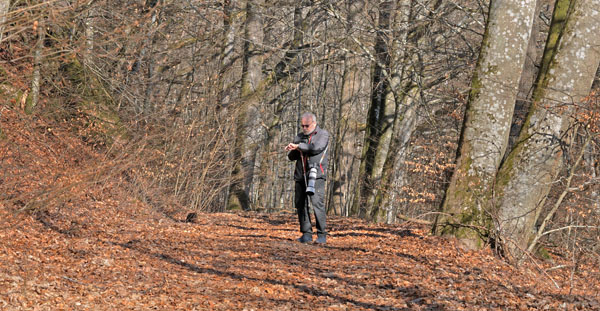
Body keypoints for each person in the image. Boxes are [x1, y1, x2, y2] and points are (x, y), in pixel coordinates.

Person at [285, 112, 329, 244]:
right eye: (302, 125)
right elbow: (291, 157)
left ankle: (321, 235)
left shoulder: (323, 135)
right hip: (300, 175)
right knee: (300, 204)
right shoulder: (299, 137)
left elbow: (315, 148)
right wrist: (293, 148)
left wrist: (300, 146)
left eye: (307, 126)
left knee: (317, 204)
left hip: (316, 176)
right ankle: (306, 233)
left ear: (314, 124)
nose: (304, 128)